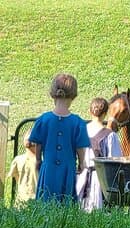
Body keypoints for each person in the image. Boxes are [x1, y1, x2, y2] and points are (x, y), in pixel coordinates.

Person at [29, 73, 90, 203]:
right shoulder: (78, 123)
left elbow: (38, 144)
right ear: (74, 95)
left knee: (45, 200)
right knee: (65, 202)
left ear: (52, 93)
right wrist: (82, 162)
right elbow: (80, 148)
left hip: (48, 166)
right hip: (68, 168)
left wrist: (38, 160)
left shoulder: (43, 120)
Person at [76, 97, 122, 212]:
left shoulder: (80, 132)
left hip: (80, 178)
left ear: (89, 111)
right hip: (101, 180)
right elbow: (115, 161)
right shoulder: (110, 136)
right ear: (105, 113)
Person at [8, 128, 38, 203]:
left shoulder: (18, 160)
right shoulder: (18, 160)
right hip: (28, 201)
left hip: (28, 201)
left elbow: (16, 177)